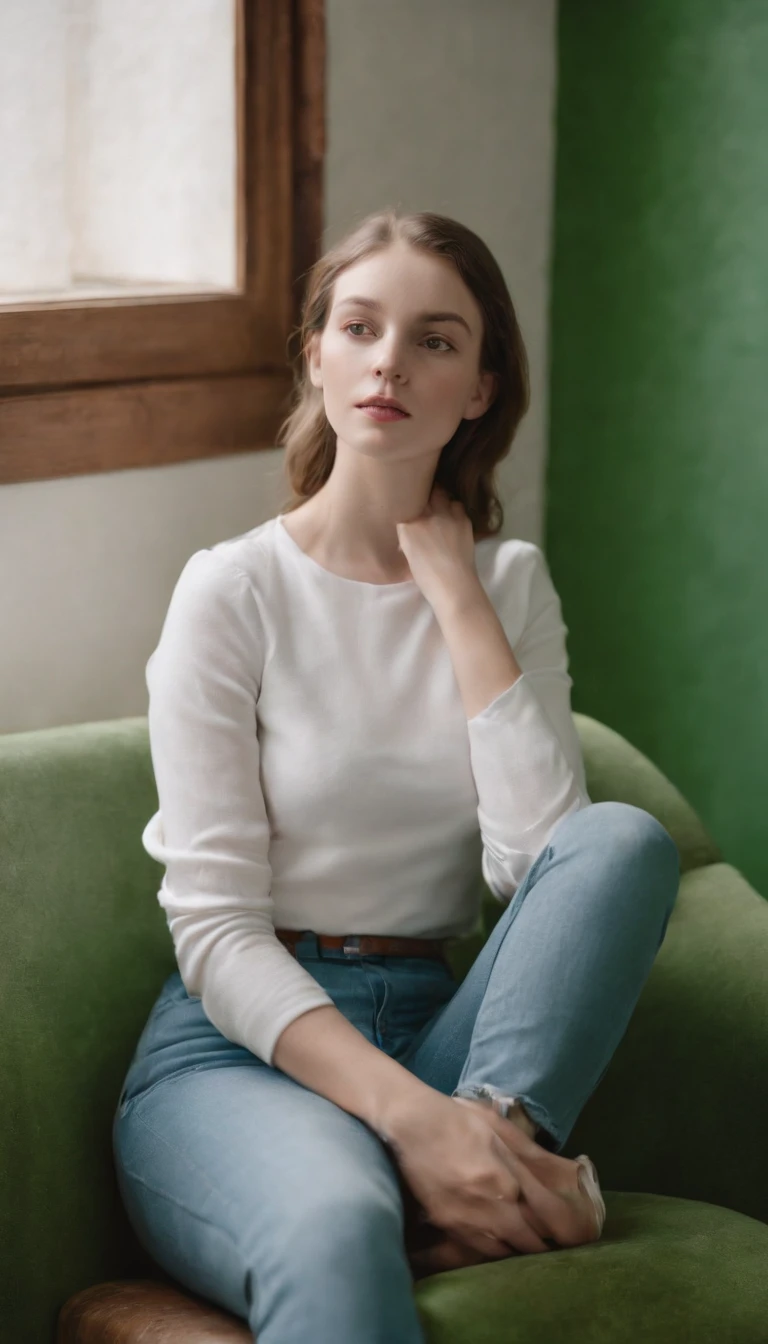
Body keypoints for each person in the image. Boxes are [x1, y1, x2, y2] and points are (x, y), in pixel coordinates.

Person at [113, 209, 680, 1343]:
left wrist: (459, 595)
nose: (389, 362)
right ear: (316, 356)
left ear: (478, 387)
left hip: (451, 1030)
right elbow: (218, 932)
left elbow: (541, 868)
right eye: (360, 328)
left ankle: (476, 1165)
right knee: (331, 1224)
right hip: (251, 1050)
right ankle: (471, 1182)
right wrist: (414, 1122)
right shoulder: (232, 591)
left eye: (435, 339)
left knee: (623, 842)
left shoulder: (510, 582)